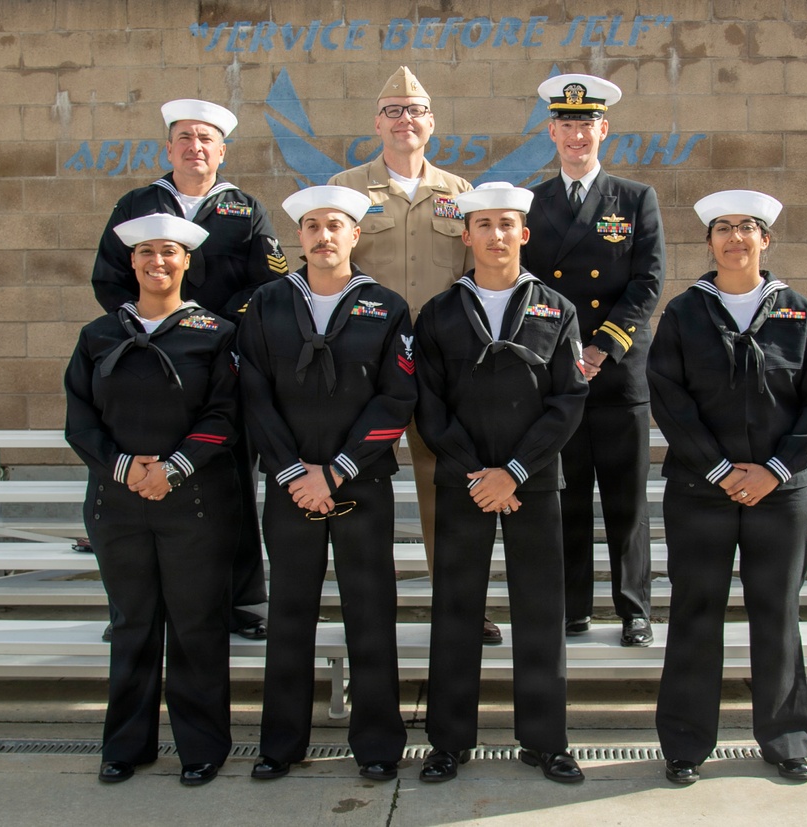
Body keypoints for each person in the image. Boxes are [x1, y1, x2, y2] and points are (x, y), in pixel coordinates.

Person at [647, 190, 807, 785]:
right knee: (695, 611)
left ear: (766, 240)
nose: (735, 238)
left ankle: (785, 739)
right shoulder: (683, 314)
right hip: (702, 491)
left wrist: (773, 470)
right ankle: (684, 744)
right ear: (708, 243)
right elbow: (669, 400)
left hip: (780, 494)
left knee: (776, 614)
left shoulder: (798, 313)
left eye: (747, 228)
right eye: (723, 229)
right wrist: (722, 470)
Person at [238, 186, 416, 782]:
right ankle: (281, 744)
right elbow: (253, 393)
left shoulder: (387, 306)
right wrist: (294, 471)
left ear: (355, 235)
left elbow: (398, 397)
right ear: (300, 237)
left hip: (360, 484)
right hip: (291, 487)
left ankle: (378, 744)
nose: (323, 236)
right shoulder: (267, 303)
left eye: (334, 225)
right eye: (311, 225)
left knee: (371, 613)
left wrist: (337, 469)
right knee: (290, 614)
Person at [414, 183, 589, 784]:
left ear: (525, 234)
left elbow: (567, 400)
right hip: (462, 481)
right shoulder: (438, 313)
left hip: (531, 482)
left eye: (506, 224)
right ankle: (448, 740)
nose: (495, 235)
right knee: (455, 609)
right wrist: (476, 473)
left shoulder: (556, 308)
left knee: (540, 611)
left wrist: (513, 472)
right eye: (483, 224)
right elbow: (429, 406)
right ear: (466, 235)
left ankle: (546, 740)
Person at [91, 99, 284, 640]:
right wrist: (155, 330)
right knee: (139, 475)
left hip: (223, 362)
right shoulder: (136, 204)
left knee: (230, 485)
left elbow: (267, 285)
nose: (194, 148)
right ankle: (136, 608)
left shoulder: (246, 209)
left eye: (205, 139)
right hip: (146, 365)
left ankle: (238, 601)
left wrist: (206, 329)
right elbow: (109, 279)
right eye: (184, 138)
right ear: (168, 147)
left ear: (221, 150)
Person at [65, 213, 241, 786]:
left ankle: (202, 747)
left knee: (196, 628)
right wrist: (125, 468)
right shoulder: (98, 335)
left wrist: (172, 467)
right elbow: (80, 420)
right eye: (146, 254)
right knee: (132, 624)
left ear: (187, 261)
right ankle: (125, 746)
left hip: (193, 503)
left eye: (169, 252)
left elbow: (224, 415)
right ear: (132, 263)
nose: (157, 262)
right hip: (117, 505)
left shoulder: (215, 333)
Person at [328, 68, 502, 644]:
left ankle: (459, 604)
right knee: (356, 481)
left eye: (416, 110)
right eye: (395, 110)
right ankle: (361, 604)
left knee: (446, 485)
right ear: (377, 122)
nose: (406, 119)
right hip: (366, 363)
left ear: (432, 122)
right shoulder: (347, 190)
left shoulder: (461, 194)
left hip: (439, 363)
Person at [520, 74, 665, 646]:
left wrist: (602, 345)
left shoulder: (634, 198)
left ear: (603, 130)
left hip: (617, 370)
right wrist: (558, 352)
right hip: (559, 371)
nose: (577, 135)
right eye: (567, 125)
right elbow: (526, 282)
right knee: (567, 492)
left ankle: (635, 609)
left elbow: (647, 283)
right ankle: (572, 606)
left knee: (626, 498)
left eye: (587, 125)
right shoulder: (532, 200)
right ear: (551, 132)